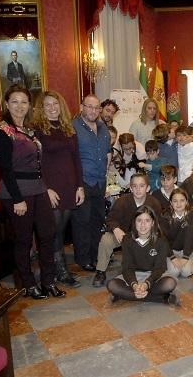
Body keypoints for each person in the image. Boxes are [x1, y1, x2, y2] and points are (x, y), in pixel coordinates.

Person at [0, 85, 65, 299]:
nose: (20, 106)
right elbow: (5, 169)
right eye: (15, 101)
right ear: (6, 104)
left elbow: (38, 164)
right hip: (17, 193)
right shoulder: (1, 131)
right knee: (23, 240)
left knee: (47, 234)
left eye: (24, 101)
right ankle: (28, 284)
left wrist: (46, 187)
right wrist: (17, 199)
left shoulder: (30, 130)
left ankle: (48, 282)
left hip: (38, 188)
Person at [33, 90, 84, 288]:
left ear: (61, 106)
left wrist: (79, 186)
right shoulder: (37, 129)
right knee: (53, 230)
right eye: (48, 105)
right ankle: (60, 270)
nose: (52, 108)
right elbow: (36, 163)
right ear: (42, 108)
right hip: (51, 188)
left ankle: (57, 268)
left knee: (61, 230)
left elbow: (76, 159)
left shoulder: (69, 128)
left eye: (55, 104)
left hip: (70, 185)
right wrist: (46, 188)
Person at [92, 173, 162, 287]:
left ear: (148, 188)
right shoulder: (122, 201)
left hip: (145, 237)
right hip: (124, 236)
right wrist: (116, 229)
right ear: (130, 188)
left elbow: (159, 225)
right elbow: (110, 219)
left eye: (141, 186)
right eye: (134, 186)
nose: (138, 189)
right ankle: (100, 271)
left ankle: (149, 268)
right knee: (106, 239)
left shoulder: (154, 203)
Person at [106, 205, 178, 304]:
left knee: (170, 283)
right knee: (112, 285)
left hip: (154, 276)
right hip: (133, 275)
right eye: (139, 220)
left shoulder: (161, 241)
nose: (143, 224)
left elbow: (160, 268)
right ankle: (161, 298)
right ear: (134, 222)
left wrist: (146, 284)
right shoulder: (127, 240)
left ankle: (126, 295)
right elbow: (127, 267)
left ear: (153, 223)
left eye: (147, 221)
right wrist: (135, 285)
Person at [72, 94, 111, 273]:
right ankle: (83, 258)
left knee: (97, 220)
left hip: (100, 181)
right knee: (82, 222)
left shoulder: (103, 128)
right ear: (82, 107)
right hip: (82, 182)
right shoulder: (73, 128)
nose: (93, 111)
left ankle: (96, 255)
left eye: (97, 108)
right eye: (89, 106)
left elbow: (107, 153)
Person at [159, 188, 193, 278]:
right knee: (174, 272)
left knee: (186, 272)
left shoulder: (192, 213)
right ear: (171, 203)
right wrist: (172, 257)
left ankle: (191, 260)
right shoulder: (165, 216)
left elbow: (191, 235)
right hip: (172, 250)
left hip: (188, 249)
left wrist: (186, 256)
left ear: (186, 201)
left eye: (182, 200)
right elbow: (163, 239)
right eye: (175, 201)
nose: (179, 204)